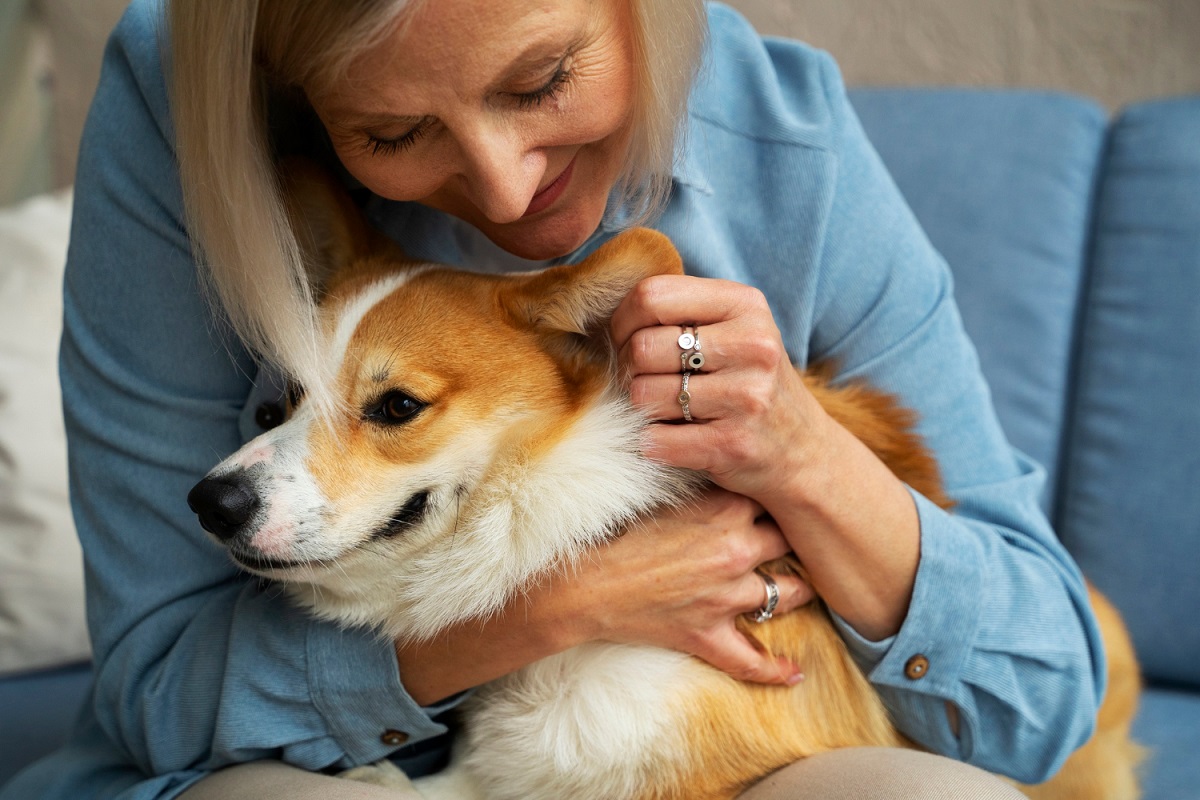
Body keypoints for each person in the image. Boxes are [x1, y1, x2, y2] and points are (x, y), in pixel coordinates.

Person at [0, 0, 1103, 797]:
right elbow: (158, 690)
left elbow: (1045, 698)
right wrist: (564, 603)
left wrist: (803, 451)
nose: (506, 183)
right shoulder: (177, 108)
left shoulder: (789, 141)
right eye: (391, 132)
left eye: (540, 83)